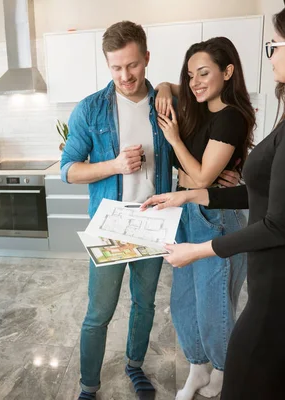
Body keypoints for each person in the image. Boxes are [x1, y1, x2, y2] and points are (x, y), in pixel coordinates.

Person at [141, 1, 285, 399]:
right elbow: (264, 192)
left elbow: (279, 224)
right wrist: (192, 194)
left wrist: (198, 250)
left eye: (276, 44)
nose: (271, 53)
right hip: (282, 288)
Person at [60, 20, 174, 400]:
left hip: (153, 222)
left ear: (146, 57)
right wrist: (113, 165)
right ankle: (88, 385)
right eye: (116, 67)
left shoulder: (166, 104)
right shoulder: (90, 109)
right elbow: (69, 171)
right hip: (110, 224)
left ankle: (135, 366)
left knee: (144, 305)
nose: (125, 75)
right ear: (108, 65)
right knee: (99, 313)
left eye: (132, 65)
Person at [153, 37, 255, 400]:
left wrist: (174, 139)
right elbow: (175, 86)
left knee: (213, 305)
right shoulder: (200, 103)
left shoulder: (231, 118)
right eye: (190, 73)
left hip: (215, 215)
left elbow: (203, 180)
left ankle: (226, 373)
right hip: (185, 211)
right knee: (183, 301)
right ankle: (198, 368)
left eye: (204, 73)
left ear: (228, 73)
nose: (195, 81)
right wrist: (166, 85)